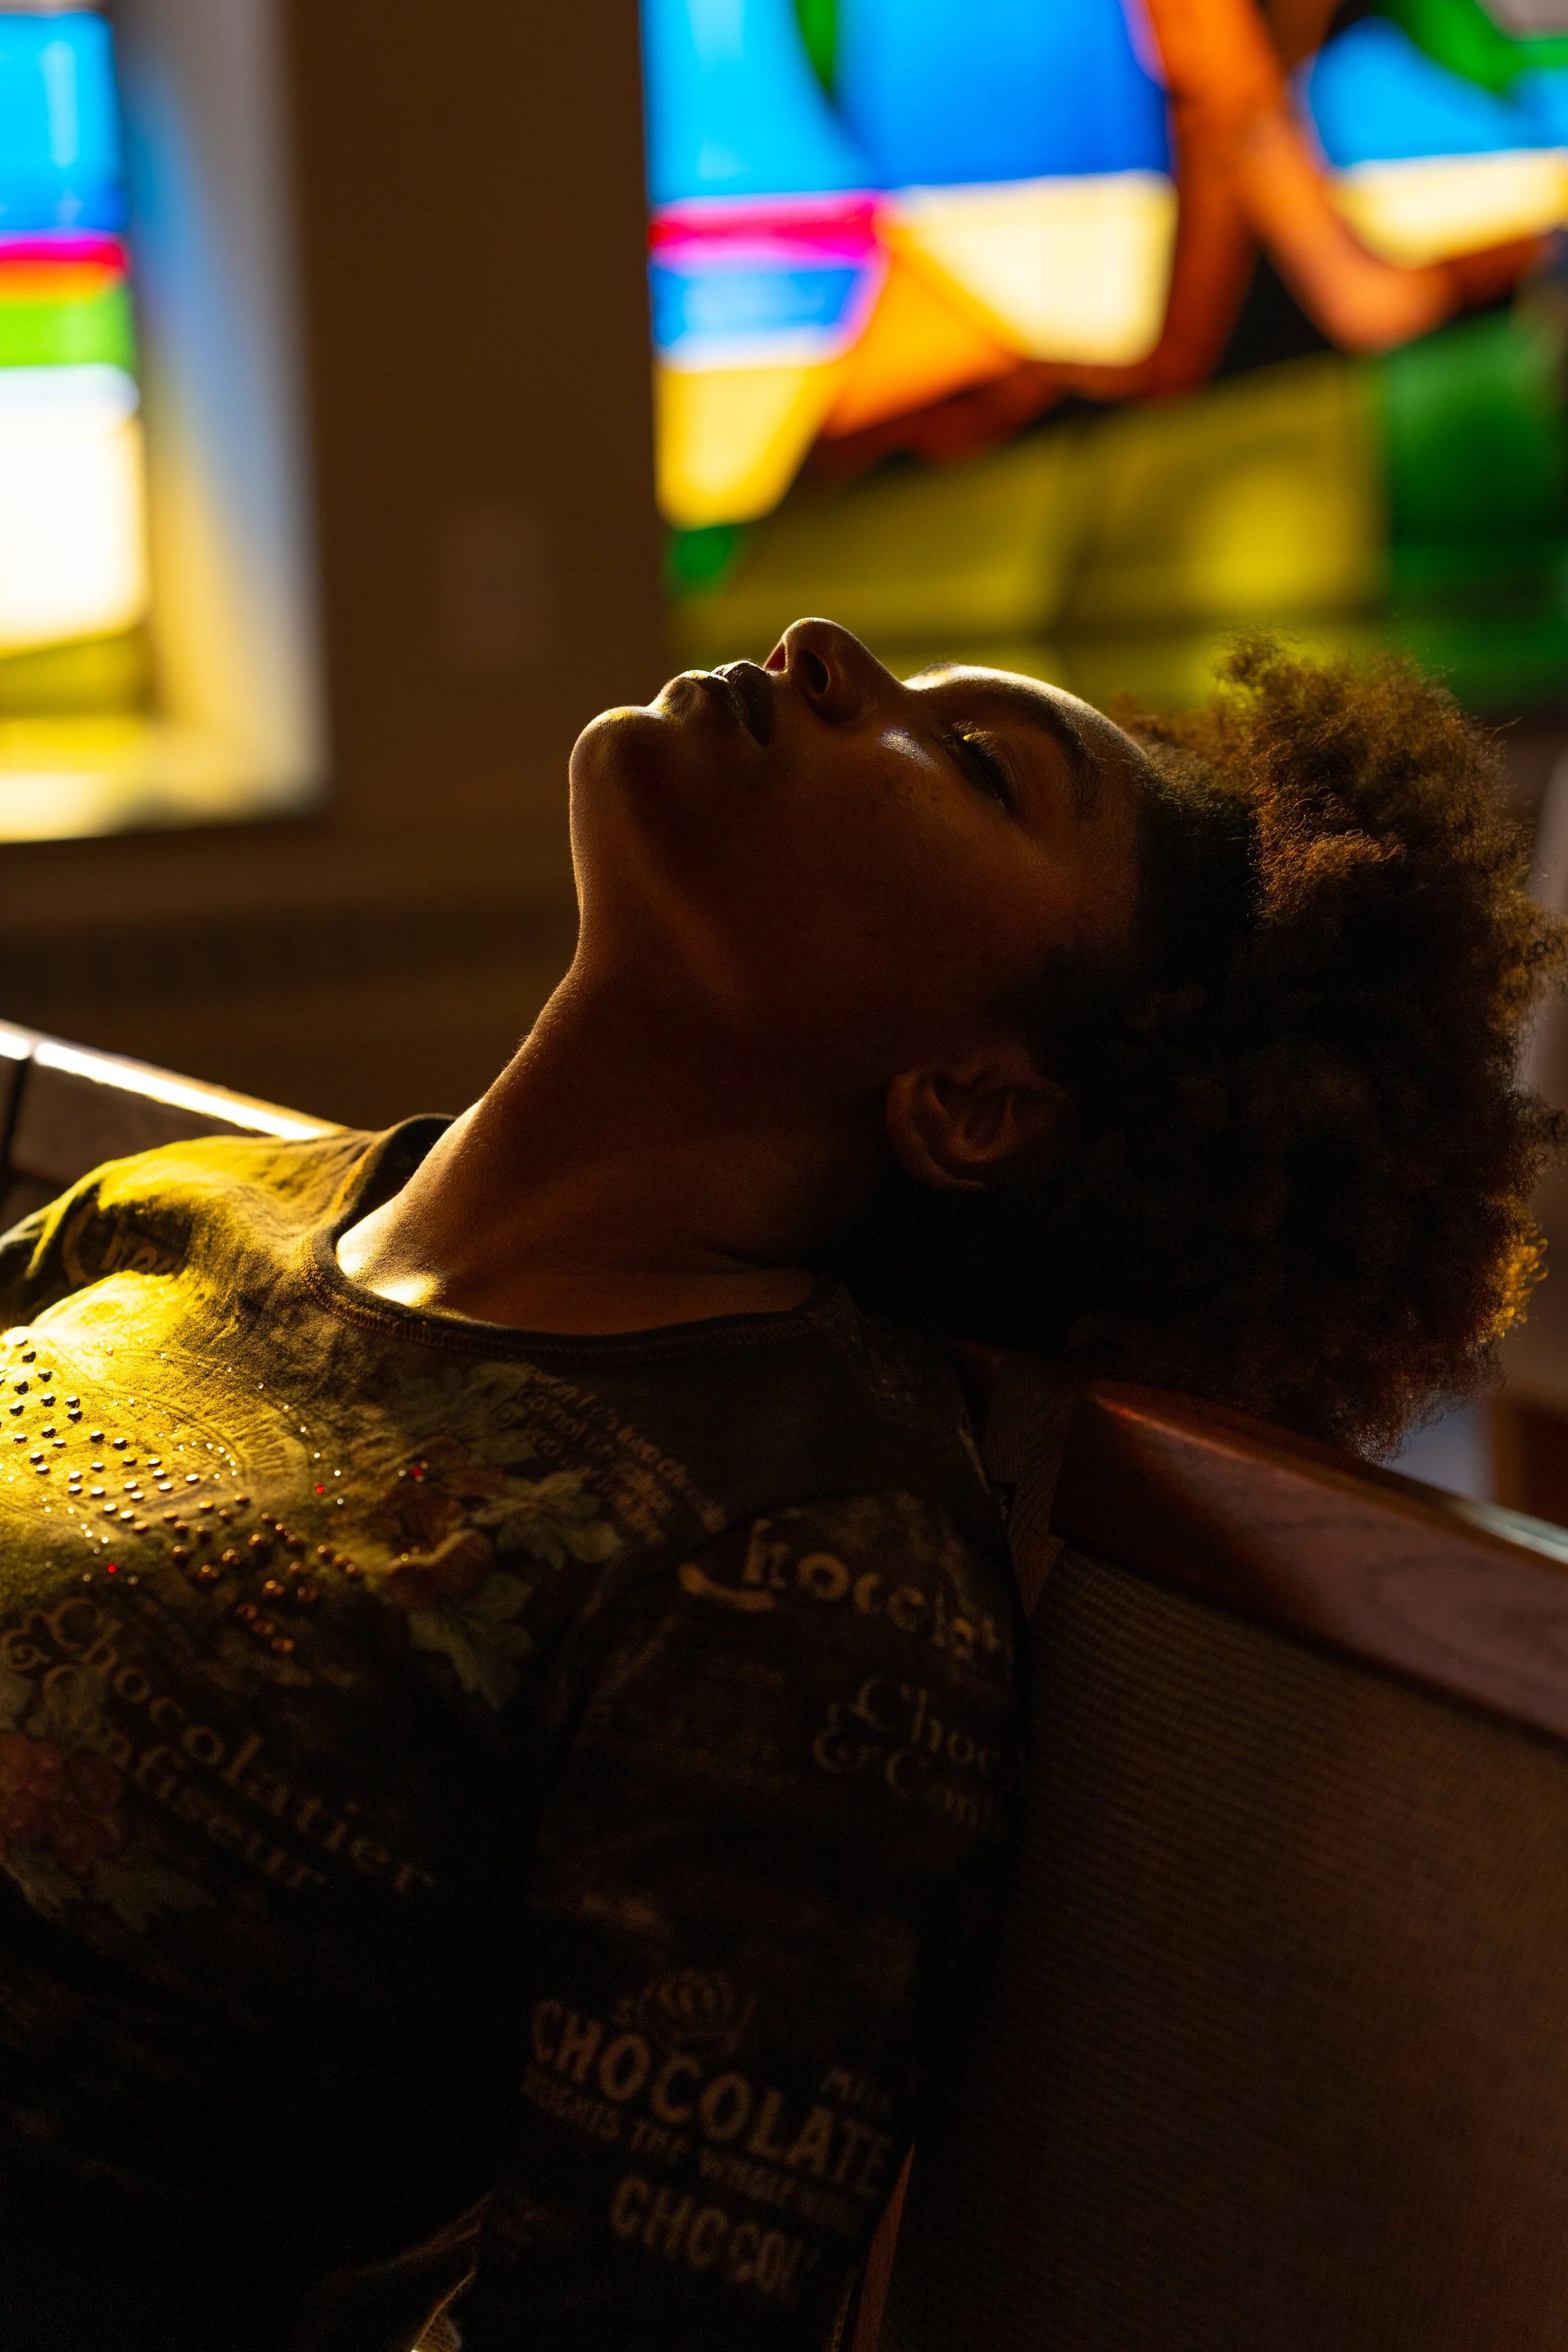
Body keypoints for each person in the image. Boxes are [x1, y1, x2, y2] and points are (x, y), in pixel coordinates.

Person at [0, 620, 1555, 2351]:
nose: (824, 650)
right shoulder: (192, 1205)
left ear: (970, 1100)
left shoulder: (796, 1571)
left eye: (969, 765)